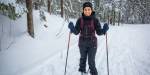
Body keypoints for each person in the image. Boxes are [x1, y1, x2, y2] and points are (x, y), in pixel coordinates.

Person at [68, 2, 109, 75]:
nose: (87, 11)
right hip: (82, 43)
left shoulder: (95, 20)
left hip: (92, 43)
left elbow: (99, 32)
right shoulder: (80, 20)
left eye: (89, 9)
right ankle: (82, 71)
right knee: (82, 59)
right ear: (83, 10)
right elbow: (76, 31)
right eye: (85, 9)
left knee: (91, 61)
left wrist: (104, 30)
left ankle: (94, 73)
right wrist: (72, 28)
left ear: (91, 10)